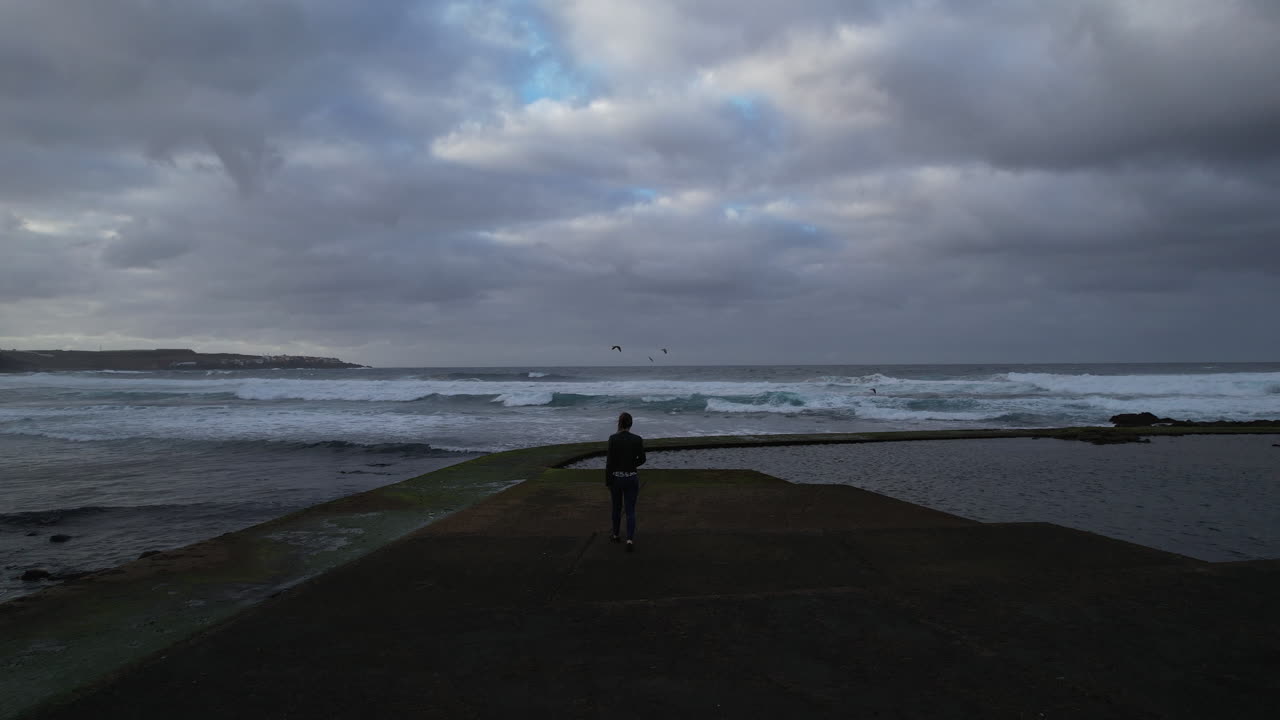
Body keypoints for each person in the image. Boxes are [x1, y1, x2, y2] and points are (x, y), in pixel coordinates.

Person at [605, 411, 646, 552]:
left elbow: (609, 462)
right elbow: (642, 459)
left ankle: (616, 535)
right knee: (630, 510)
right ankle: (629, 539)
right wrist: (632, 464)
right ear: (631, 424)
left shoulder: (613, 439)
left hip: (616, 478)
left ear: (619, 423)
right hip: (631, 478)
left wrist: (608, 481)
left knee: (616, 508)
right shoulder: (637, 439)